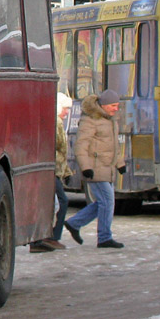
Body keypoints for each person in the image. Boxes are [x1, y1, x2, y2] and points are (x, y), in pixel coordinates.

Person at [64, 88, 126, 249]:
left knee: (103, 202)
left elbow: (114, 146)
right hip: (95, 168)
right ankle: (104, 237)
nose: (115, 108)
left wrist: (120, 164)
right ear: (103, 105)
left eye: (117, 105)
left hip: (107, 168)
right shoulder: (90, 120)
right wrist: (86, 167)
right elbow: (81, 146)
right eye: (113, 105)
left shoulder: (110, 121)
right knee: (108, 201)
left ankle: (74, 223)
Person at [29, 93, 74, 253]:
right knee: (59, 202)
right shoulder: (54, 123)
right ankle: (49, 237)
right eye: (65, 108)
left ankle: (45, 238)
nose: (67, 112)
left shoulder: (57, 122)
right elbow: (56, 150)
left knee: (55, 202)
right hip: (50, 170)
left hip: (53, 169)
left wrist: (66, 171)